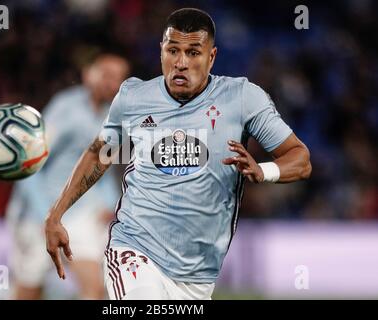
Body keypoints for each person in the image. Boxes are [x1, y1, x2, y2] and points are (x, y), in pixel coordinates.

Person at [44, 8, 312, 300]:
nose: (181, 63)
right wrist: (56, 215)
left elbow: (300, 159)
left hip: (198, 275)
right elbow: (100, 155)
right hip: (134, 249)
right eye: (173, 50)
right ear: (161, 51)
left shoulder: (242, 98)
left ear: (211, 57)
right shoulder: (134, 98)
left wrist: (264, 171)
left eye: (193, 52)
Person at [6, 53, 130, 299]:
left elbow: (102, 170)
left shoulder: (115, 120)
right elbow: (29, 164)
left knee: (94, 288)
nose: (112, 83)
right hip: (36, 215)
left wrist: (110, 202)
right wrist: (48, 214)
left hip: (81, 215)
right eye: (106, 74)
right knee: (29, 293)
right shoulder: (65, 108)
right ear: (88, 74)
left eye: (119, 78)